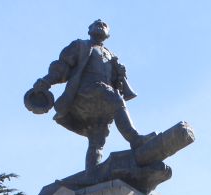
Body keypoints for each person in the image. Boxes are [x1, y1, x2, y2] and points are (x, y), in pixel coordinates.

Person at [28, 19, 151, 169]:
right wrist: (46, 82)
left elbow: (116, 83)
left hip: (102, 101)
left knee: (98, 137)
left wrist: (120, 75)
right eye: (96, 23)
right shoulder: (80, 45)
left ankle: (92, 171)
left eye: (105, 25)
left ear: (108, 35)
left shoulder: (112, 56)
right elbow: (62, 67)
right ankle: (135, 139)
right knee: (116, 99)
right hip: (86, 92)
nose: (101, 23)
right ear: (89, 29)